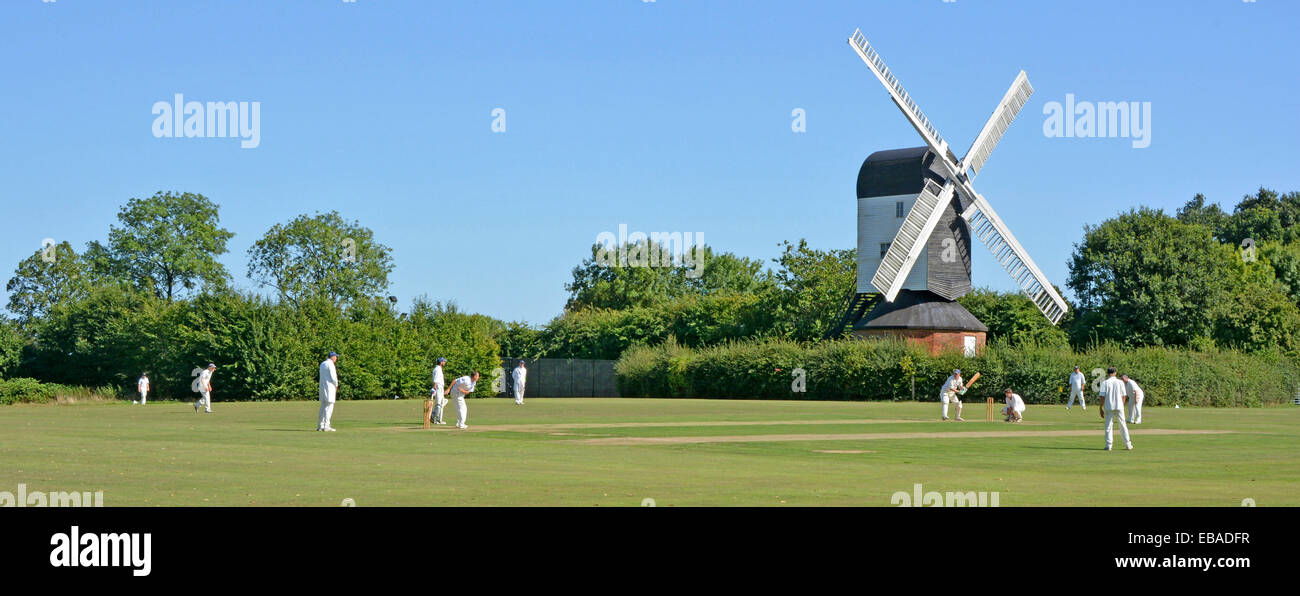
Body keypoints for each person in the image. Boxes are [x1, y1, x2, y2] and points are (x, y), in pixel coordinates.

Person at [1098, 367, 1133, 451]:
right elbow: (1123, 396)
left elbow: (1102, 397)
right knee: (1123, 425)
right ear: (1115, 373)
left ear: (1108, 373)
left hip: (1108, 406)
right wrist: (1122, 405)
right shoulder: (1120, 382)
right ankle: (1128, 445)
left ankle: (1108, 445)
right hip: (1119, 406)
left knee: (1108, 426)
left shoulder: (1105, 383)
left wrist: (1100, 408)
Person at [318, 352, 339, 432]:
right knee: (329, 406)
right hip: (329, 388)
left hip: (322, 387)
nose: (336, 358)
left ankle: (320, 425)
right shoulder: (330, 364)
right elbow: (333, 377)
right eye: (335, 357)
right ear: (332, 357)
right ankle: (326, 425)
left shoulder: (323, 364)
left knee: (323, 406)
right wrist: (336, 385)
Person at [430, 357, 448, 425]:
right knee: (439, 404)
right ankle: (438, 419)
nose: (445, 363)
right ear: (441, 362)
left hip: (439, 387)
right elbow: (436, 379)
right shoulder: (438, 369)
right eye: (444, 361)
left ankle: (433, 416)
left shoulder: (437, 368)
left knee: (442, 402)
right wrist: (434, 387)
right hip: (438, 387)